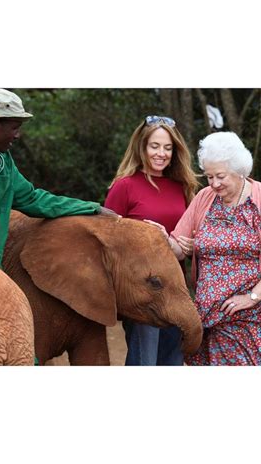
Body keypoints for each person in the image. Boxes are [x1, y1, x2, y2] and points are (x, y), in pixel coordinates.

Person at [165, 131, 261, 365]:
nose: (214, 184)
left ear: (239, 170)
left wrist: (253, 296)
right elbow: (178, 247)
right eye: (209, 176)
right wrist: (161, 239)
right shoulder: (204, 198)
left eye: (220, 176)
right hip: (215, 317)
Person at [0, 88, 111, 269]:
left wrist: (91, 208)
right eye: (15, 128)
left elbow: (33, 199)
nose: (17, 135)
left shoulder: (3, 165)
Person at [104, 115, 199, 366]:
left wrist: (187, 245)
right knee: (145, 362)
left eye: (168, 148)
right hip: (142, 292)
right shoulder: (124, 186)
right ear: (142, 147)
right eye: (154, 146)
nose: (161, 153)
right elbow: (108, 241)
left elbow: (188, 233)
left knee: (173, 360)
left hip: (176, 289)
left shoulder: (182, 186)